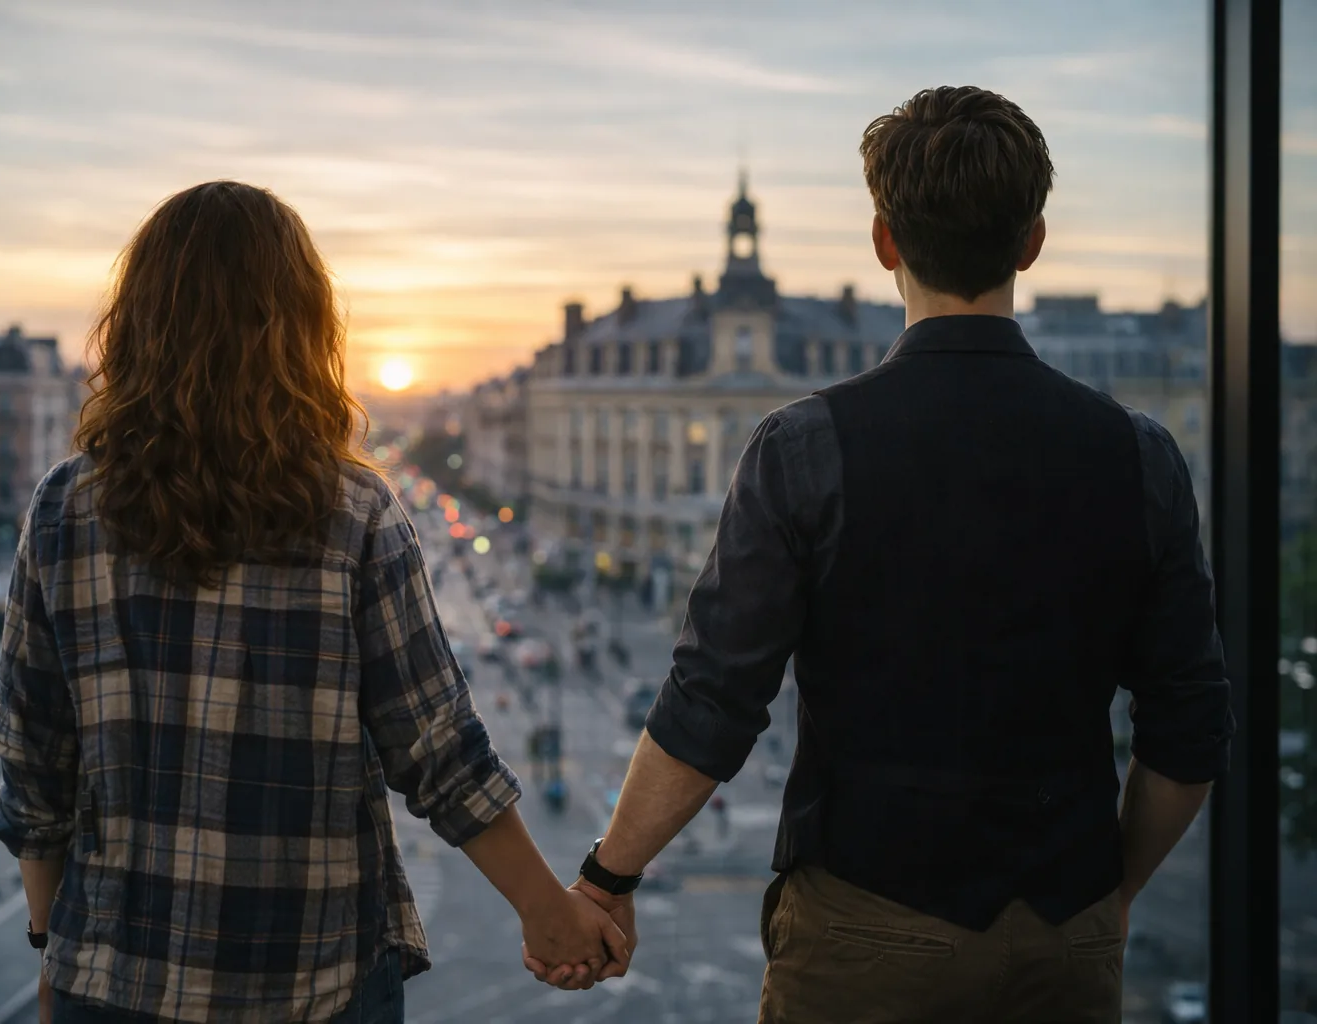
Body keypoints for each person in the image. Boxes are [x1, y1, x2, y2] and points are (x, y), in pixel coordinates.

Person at [526, 86, 1234, 1022]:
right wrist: (1110, 894)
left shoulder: (807, 447)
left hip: (866, 926)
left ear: (884, 241)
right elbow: (1188, 730)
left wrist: (605, 876)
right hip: (1066, 930)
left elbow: (712, 703)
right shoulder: (1139, 453)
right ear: (1032, 242)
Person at [0, 180, 627, 1024]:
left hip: (111, 984)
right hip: (309, 987)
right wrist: (552, 912)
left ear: (137, 325)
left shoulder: (64, 508)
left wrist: (51, 944)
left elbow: (35, 768)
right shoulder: (352, 513)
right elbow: (438, 749)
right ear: (300, 329)